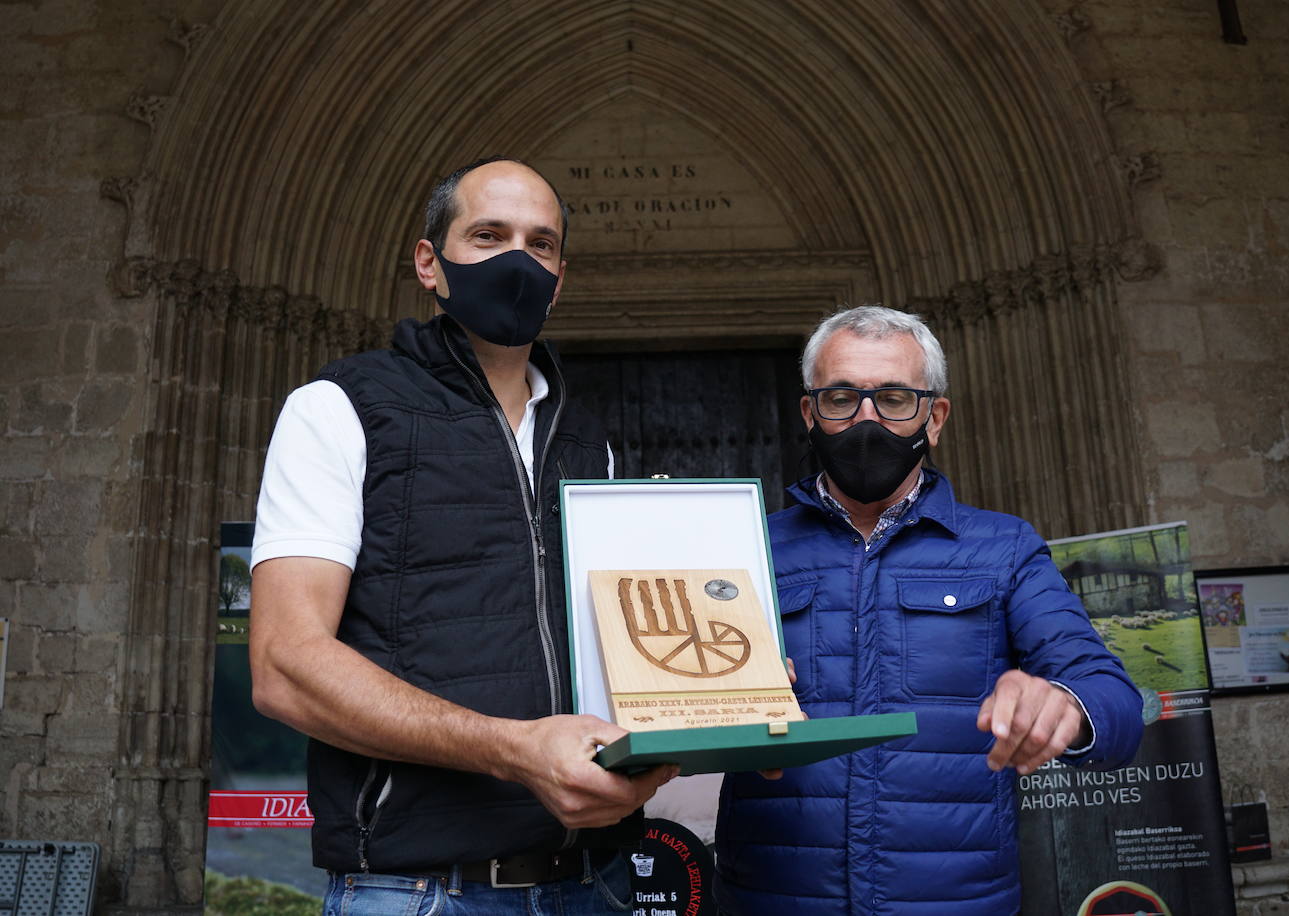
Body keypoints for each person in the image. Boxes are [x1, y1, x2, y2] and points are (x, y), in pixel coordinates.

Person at [248, 156, 675, 913]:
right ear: (429, 263)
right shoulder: (339, 410)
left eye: (540, 244)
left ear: (561, 274)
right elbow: (285, 667)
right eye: (487, 235)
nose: (518, 260)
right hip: (419, 892)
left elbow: (617, 656)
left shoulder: (589, 444)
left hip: (595, 883)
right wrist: (515, 751)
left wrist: (724, 710)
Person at [714, 305, 1143, 915]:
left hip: (956, 903)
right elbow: (670, 707)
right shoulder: (743, 549)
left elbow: (1117, 699)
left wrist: (1067, 707)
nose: (867, 419)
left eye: (894, 398)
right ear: (810, 414)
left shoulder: (1004, 548)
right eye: (841, 398)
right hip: (773, 899)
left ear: (933, 417)